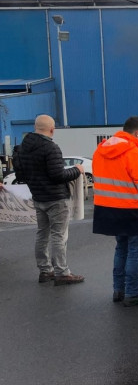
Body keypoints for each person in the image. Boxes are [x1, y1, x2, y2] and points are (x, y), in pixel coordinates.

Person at [92, 116, 138, 306]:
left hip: (108, 209)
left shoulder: (101, 150)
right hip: (134, 210)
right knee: (135, 252)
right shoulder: (134, 152)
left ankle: (118, 289)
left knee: (121, 249)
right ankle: (132, 293)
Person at [16, 115, 85, 285]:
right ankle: (62, 272)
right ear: (52, 129)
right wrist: (76, 170)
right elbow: (58, 175)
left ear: (35, 127)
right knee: (58, 236)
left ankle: (45, 271)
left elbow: (21, 175)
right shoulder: (50, 147)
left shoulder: (22, 148)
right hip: (55, 198)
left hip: (38, 197)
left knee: (42, 234)